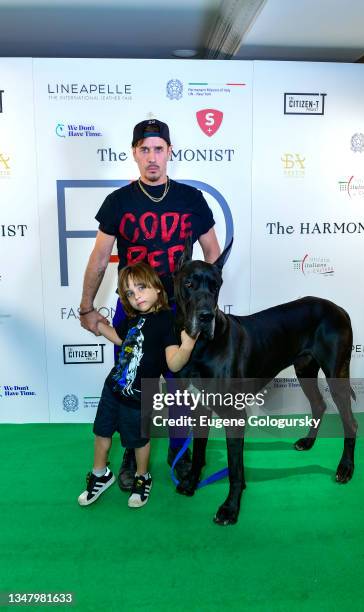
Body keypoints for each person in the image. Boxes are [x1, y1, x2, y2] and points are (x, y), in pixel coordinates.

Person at [79, 118, 220, 489]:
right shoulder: (119, 202)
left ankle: (179, 453)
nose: (152, 157)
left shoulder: (190, 199)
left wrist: (203, 305)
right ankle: (131, 452)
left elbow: (212, 254)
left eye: (159, 149)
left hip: (176, 312)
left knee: (177, 387)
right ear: (134, 154)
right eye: (145, 150)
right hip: (134, 310)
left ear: (170, 152)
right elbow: (98, 257)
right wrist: (86, 306)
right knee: (132, 389)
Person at [78, 262, 198, 508]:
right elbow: (119, 338)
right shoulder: (132, 319)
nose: (136, 296)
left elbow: (173, 365)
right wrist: (99, 326)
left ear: (158, 289)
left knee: (139, 440)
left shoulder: (168, 321)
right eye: (130, 293)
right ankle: (100, 474)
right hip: (113, 388)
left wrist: (187, 345)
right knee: (102, 432)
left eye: (141, 288)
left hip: (142, 395)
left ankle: (142, 477)